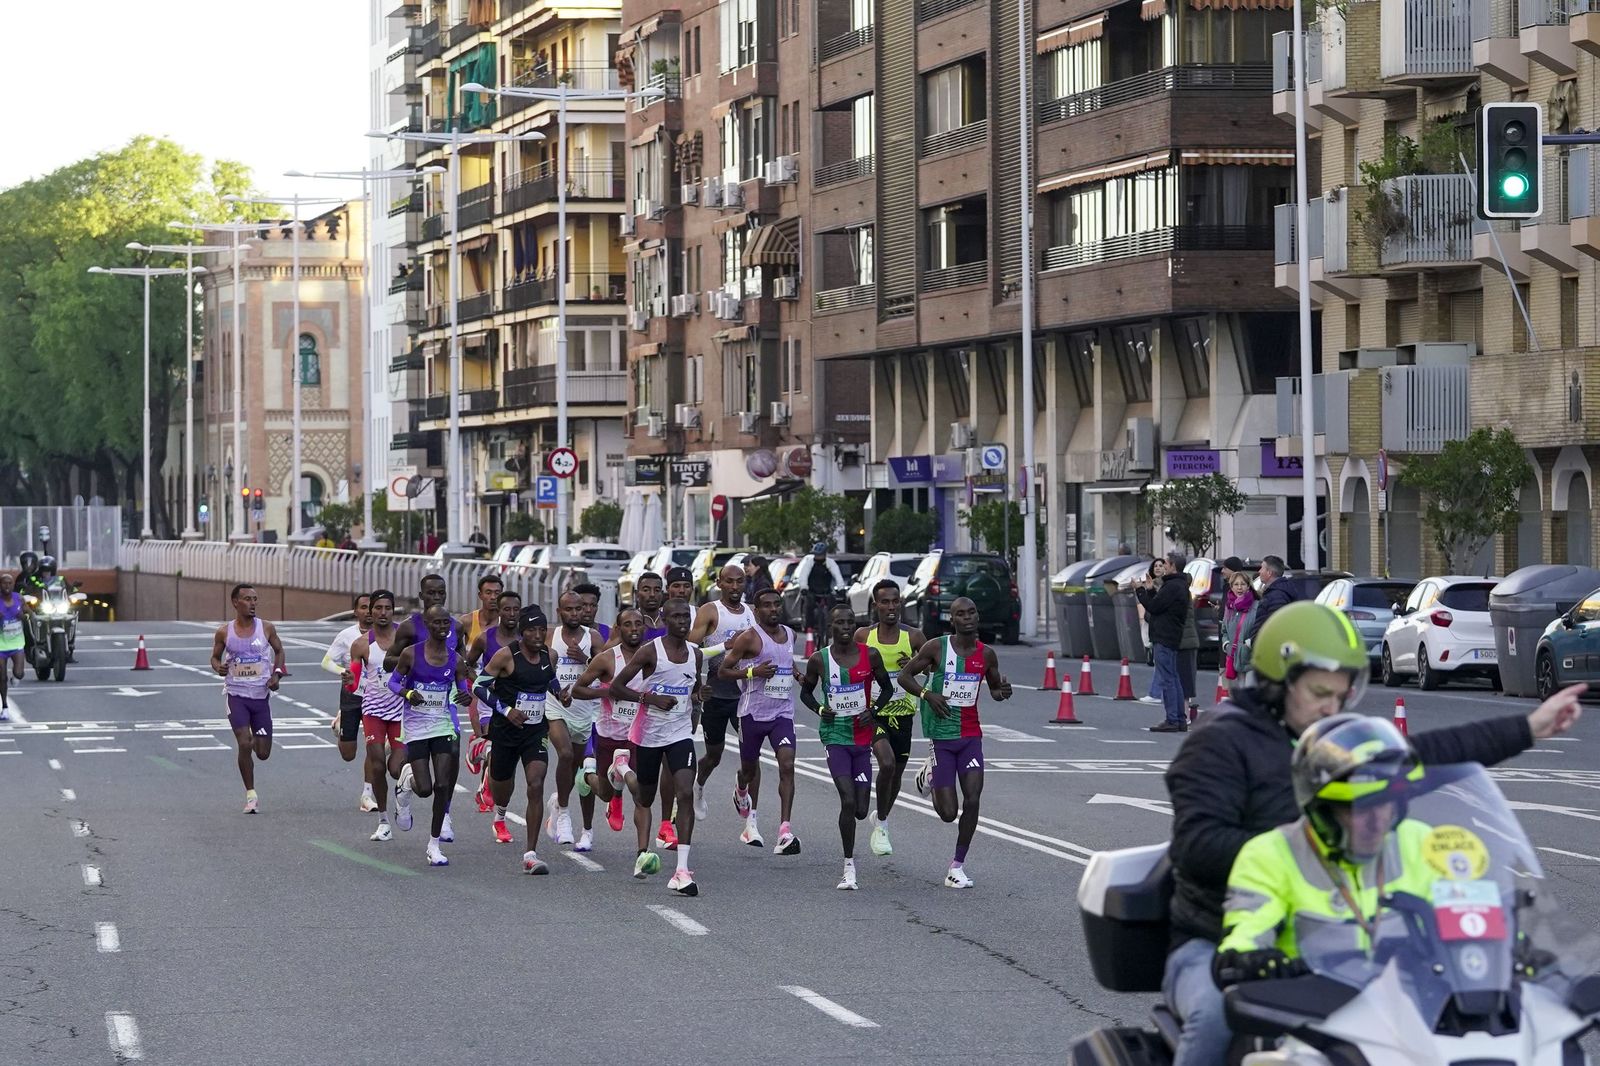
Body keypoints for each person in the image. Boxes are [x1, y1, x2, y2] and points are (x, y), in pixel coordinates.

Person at [1161, 601, 1584, 1066]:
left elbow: (1427, 752)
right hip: (1223, 939)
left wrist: (1527, 727)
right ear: (1278, 682)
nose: (1332, 706)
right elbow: (1196, 847)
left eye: (1342, 696)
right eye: (1320, 692)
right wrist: (1308, 846)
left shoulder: (1337, 741)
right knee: (1218, 1016)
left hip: (1340, 937)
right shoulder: (1219, 742)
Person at [1213, 713, 1431, 985]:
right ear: (1323, 810)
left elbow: (1472, 915)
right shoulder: (1270, 854)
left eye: (1384, 802)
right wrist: (1246, 959)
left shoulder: (1424, 844)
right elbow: (1246, 932)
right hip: (1309, 1012)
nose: (1377, 821)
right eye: (1358, 807)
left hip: (1415, 1008)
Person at [897, 596, 1013, 888]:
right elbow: (904, 676)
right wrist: (927, 695)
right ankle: (931, 774)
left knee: (973, 799)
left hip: (971, 736)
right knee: (948, 813)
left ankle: (957, 866)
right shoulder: (936, 647)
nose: (968, 618)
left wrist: (1003, 691)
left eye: (972, 612)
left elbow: (996, 690)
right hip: (941, 736)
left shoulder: (986, 655)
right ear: (953, 620)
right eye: (961, 614)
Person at [609, 598, 704, 893]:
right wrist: (648, 699)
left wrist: (701, 695)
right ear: (663, 620)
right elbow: (616, 687)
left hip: (679, 735)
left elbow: (694, 688)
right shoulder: (651, 652)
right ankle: (621, 770)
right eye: (675, 617)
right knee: (644, 797)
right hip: (648, 735)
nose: (682, 622)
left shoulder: (696, 654)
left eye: (685, 616)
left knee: (685, 792)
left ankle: (681, 870)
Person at [801, 603, 894, 890]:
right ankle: (848, 867)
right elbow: (806, 692)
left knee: (862, 809)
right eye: (840, 623)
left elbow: (888, 688)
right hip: (835, 737)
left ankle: (871, 819)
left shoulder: (871, 655)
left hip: (862, 737)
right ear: (831, 626)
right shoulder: (819, 659)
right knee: (848, 800)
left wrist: (874, 709)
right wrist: (819, 709)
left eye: (850, 623)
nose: (845, 627)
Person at [481, 604, 570, 874]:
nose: (538, 634)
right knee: (502, 787)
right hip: (506, 731)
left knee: (535, 783)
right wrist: (507, 711)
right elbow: (478, 687)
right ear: (522, 632)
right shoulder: (505, 656)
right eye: (532, 629)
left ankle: (530, 853)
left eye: (542, 629)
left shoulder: (550, 655)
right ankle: (500, 811)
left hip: (534, 731)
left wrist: (560, 693)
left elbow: (549, 680)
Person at [716, 586, 802, 854]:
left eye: (777, 604)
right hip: (752, 713)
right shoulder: (749, 639)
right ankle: (742, 791)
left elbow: (786, 661)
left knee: (787, 764)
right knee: (749, 770)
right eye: (766, 605)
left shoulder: (790, 633)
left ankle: (784, 829)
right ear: (757, 610)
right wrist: (754, 671)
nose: (773, 609)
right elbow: (723, 671)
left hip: (782, 714)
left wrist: (797, 675)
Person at [388, 605, 473, 867]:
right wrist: (408, 694)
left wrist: (465, 695)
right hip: (415, 726)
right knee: (425, 789)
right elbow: (392, 682)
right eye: (436, 623)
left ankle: (433, 844)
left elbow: (463, 689)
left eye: (445, 623)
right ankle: (407, 781)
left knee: (443, 786)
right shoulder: (410, 654)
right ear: (427, 624)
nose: (442, 627)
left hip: (442, 725)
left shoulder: (455, 660)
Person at [385, 573, 462, 841]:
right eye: (431, 593)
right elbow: (388, 662)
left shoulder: (455, 626)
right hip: (417, 707)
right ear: (422, 596)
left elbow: (463, 661)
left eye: (441, 593)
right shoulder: (409, 627)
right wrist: (412, 670)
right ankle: (408, 781)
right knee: (426, 785)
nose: (436, 597)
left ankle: (445, 816)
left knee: (451, 758)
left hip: (446, 703)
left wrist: (467, 687)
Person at [853, 579, 927, 856]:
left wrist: (914, 668)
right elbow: (847, 660)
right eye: (884, 601)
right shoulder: (864, 636)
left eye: (895, 601)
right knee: (886, 763)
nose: (891, 606)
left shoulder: (915, 637)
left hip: (904, 714)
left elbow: (934, 670)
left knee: (895, 773)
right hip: (872, 714)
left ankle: (881, 818)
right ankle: (882, 828)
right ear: (876, 605)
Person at [688, 564, 755, 828]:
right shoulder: (710, 610)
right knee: (713, 755)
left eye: (740, 582)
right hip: (716, 694)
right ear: (720, 583)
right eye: (730, 582)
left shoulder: (752, 613)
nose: (735, 587)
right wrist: (724, 646)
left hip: (745, 695)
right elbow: (691, 651)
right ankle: (700, 786)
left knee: (750, 756)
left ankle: (743, 794)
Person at [209, 584, 287, 814]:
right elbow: (214, 657)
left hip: (261, 696)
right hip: (236, 695)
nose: (252, 603)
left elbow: (280, 652)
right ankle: (251, 795)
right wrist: (218, 668)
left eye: (255, 599)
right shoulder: (224, 631)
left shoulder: (267, 628)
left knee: (262, 753)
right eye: (247, 599)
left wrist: (276, 674)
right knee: (244, 743)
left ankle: (255, 739)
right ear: (235, 603)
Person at [575, 607, 648, 837]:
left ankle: (642, 852)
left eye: (638, 624)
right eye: (628, 624)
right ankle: (587, 775)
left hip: (639, 736)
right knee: (604, 793)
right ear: (618, 629)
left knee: (641, 792)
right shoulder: (607, 659)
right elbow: (578, 689)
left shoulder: (652, 656)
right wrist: (607, 693)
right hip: (609, 736)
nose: (634, 629)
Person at [349, 590, 409, 841]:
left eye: (387, 608)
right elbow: (353, 684)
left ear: (393, 610)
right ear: (370, 611)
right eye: (378, 608)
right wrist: (348, 680)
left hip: (401, 710)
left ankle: (403, 795)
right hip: (373, 710)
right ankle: (383, 821)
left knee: (396, 769)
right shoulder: (361, 644)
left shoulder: (405, 638)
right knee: (376, 763)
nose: (383, 613)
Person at [546, 590, 603, 851]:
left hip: (586, 711)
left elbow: (608, 672)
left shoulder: (593, 637)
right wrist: (559, 692)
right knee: (566, 756)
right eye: (568, 609)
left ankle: (570, 811)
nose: (574, 614)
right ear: (559, 612)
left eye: (578, 609)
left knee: (582, 771)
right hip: (557, 706)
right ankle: (565, 816)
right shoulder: (551, 636)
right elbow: (543, 673)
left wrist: (586, 660)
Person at [321, 592, 374, 806]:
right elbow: (326, 661)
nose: (368, 612)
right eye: (363, 607)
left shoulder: (389, 635)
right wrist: (344, 671)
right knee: (348, 754)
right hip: (352, 695)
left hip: (378, 698)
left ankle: (367, 794)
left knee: (375, 747)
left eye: (372, 607)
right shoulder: (346, 635)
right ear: (355, 611)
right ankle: (339, 723)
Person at [1138, 552, 1191, 734]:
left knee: (1168, 678)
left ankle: (1172, 719)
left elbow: (1153, 607)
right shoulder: (1178, 585)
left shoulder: (1173, 586)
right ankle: (1179, 718)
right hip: (1172, 635)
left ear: (1173, 566)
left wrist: (1140, 590)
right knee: (1173, 677)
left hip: (1165, 635)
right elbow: (1160, 604)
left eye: (1166, 563)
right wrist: (1152, 590)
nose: (1163, 566)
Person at [1137, 558, 1168, 706]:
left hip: (1163, 628)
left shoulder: (1167, 586)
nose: (1158, 568)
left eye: (1161, 565)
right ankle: (1157, 692)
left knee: (1162, 663)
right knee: (1159, 662)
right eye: (1155, 566)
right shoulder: (1150, 583)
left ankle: (1156, 693)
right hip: (1152, 626)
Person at [1246, 555, 1297, 643]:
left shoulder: (1277, 595)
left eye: (1262, 568)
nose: (1259, 571)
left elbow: (1274, 624)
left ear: (1269, 573)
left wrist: (1256, 641)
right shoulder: (1274, 592)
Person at [1220, 571, 1256, 685]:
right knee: (1240, 693)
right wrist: (1226, 644)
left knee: (1250, 693)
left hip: (1251, 658)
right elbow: (1224, 630)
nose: (1239, 588)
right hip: (1236, 658)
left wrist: (1250, 643)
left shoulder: (1256, 606)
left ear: (1248, 586)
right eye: (1236, 584)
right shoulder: (1229, 607)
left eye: (1243, 584)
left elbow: (1261, 628)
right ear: (1231, 587)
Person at [803, 543, 846, 636]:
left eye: (820, 555)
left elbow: (837, 575)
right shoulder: (809, 563)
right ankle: (809, 627)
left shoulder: (830, 563)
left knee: (833, 607)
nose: (818, 557)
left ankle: (831, 626)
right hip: (812, 591)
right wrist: (804, 587)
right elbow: (803, 575)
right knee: (809, 606)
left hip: (826, 591)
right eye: (816, 555)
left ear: (825, 554)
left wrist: (841, 588)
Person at [0, 573, 26, 718]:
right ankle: (4, 707)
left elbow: (29, 613)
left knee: (19, 673)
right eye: (4, 583)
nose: (7, 586)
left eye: (9, 583)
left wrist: (23, 617)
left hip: (16, 642)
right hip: (1, 645)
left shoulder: (19, 598)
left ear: (13, 585)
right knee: (1, 677)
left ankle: (15, 678)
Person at [460, 574, 504, 651]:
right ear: (480, 595)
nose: (493, 597)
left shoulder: (506, 623)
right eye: (488, 592)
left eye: (497, 593)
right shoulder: (466, 621)